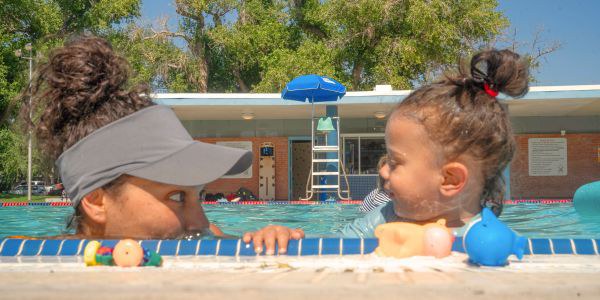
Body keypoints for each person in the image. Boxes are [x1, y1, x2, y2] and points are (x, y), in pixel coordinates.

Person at [24, 35, 302, 254]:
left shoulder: (208, 237)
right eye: (178, 197)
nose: (200, 222)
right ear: (97, 201)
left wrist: (271, 239)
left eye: (199, 196)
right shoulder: (32, 255)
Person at [340, 49, 529, 238]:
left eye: (394, 162)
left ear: (450, 179)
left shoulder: (494, 240)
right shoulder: (384, 216)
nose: (382, 171)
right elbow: (334, 247)